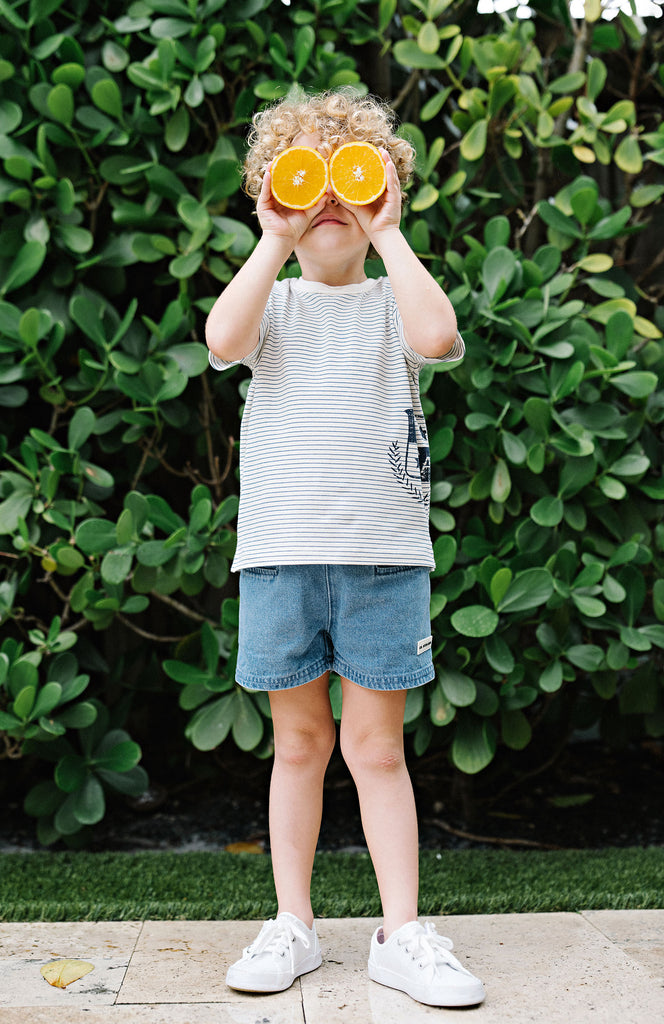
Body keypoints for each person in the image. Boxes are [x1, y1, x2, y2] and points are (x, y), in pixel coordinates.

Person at [205, 89, 485, 1009]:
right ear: (270, 191)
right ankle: (294, 924)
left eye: (349, 174)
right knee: (297, 746)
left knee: (375, 751)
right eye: (305, 175)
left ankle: (399, 934)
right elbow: (221, 340)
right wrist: (274, 237)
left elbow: (438, 337)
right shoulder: (275, 301)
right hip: (282, 556)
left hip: (382, 560)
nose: (329, 196)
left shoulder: (389, 302)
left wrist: (388, 230)